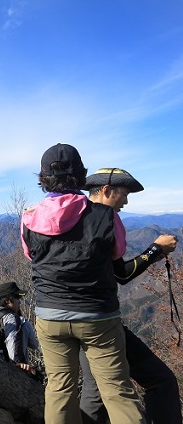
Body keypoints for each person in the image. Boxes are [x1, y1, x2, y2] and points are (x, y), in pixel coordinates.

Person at [20, 143, 146, 424]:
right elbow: (118, 255)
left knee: (59, 390)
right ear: (81, 175)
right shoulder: (105, 216)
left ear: (43, 179)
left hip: (50, 315)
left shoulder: (28, 219)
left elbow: (31, 256)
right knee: (117, 392)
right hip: (98, 317)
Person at [79, 167, 181, 424]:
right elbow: (122, 275)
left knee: (96, 393)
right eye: (123, 194)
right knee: (159, 380)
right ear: (106, 190)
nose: (126, 201)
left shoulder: (73, 218)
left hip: (69, 317)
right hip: (99, 321)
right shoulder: (102, 222)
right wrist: (155, 249)